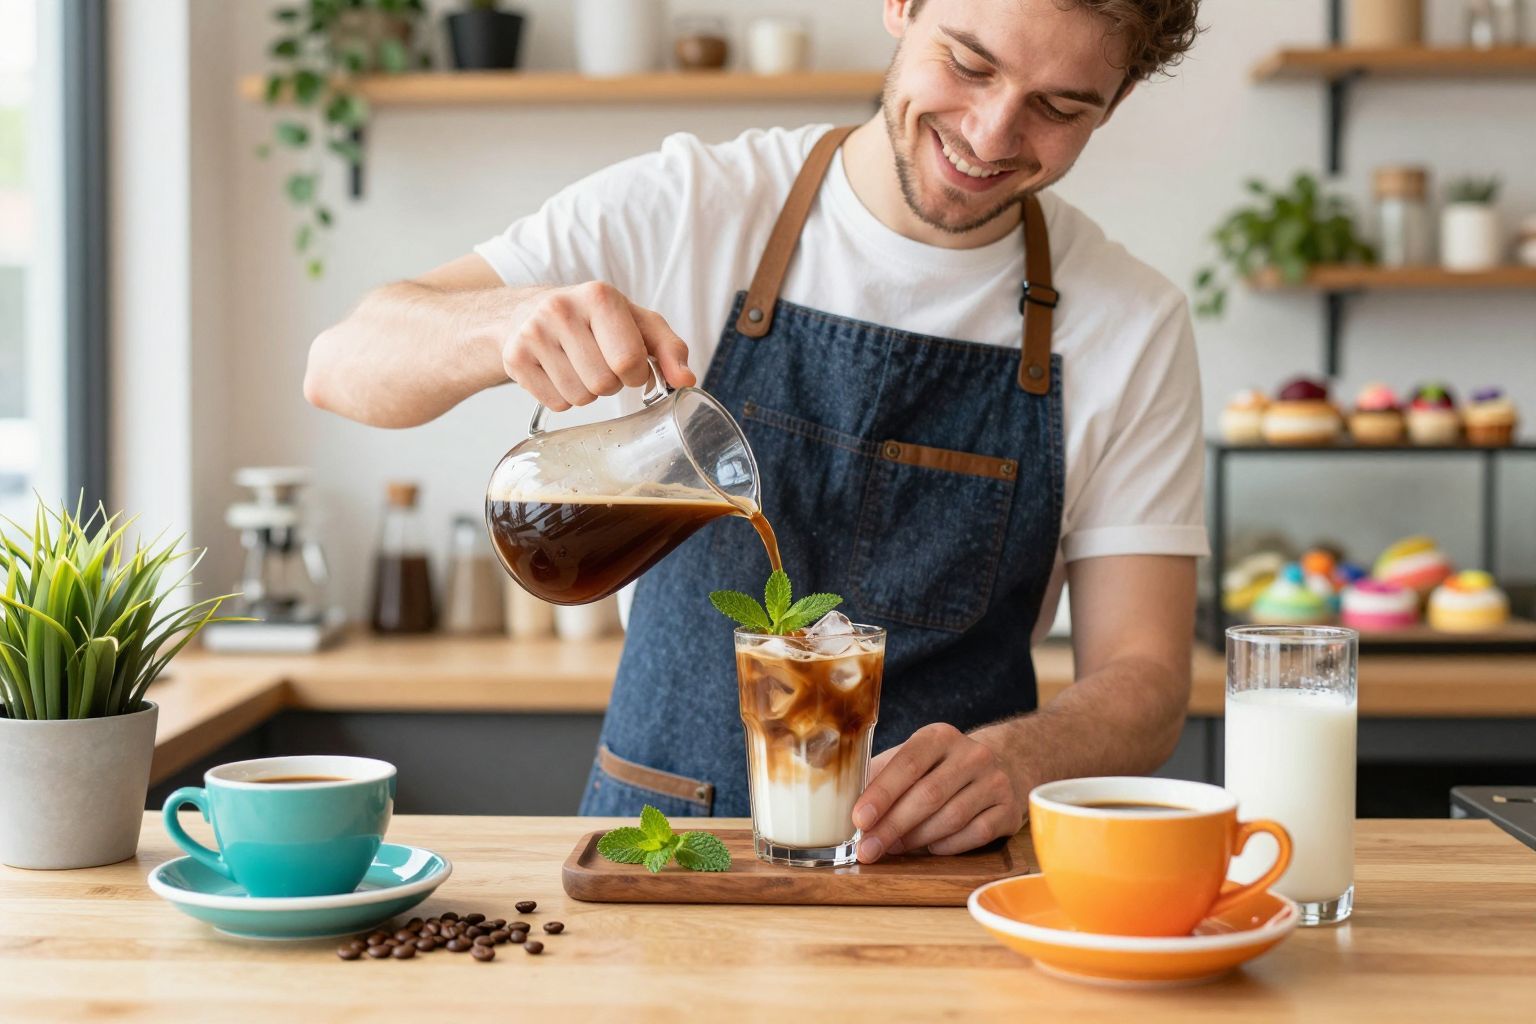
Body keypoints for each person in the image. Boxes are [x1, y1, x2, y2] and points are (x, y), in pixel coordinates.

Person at [305, 0, 1207, 864]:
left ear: (1115, 101)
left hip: (944, 877)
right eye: (969, 64)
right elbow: (341, 365)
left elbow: (1148, 678)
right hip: (660, 855)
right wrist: (499, 325)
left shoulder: (1130, 323)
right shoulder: (689, 204)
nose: (991, 134)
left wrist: (1025, 758)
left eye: (1058, 108)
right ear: (901, 5)